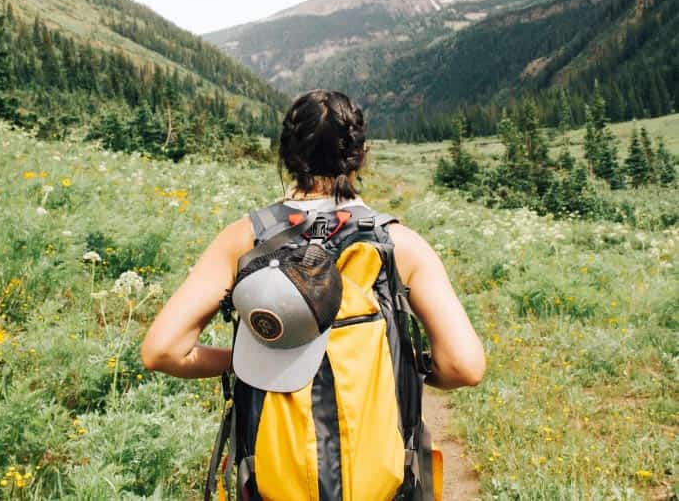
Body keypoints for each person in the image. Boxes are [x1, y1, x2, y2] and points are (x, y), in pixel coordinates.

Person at [140, 89, 486, 493]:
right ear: (361, 154)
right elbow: (466, 366)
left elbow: (161, 351)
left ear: (286, 155)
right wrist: (406, 366)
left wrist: (243, 362)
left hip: (275, 483)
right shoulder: (400, 244)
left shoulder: (244, 240)